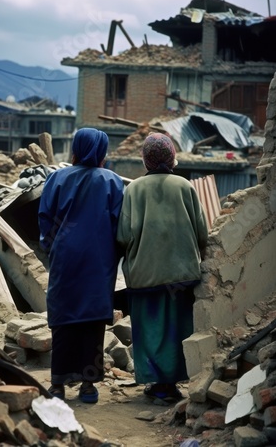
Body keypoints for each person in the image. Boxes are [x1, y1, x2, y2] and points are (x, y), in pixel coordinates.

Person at [116, 132, 208, 400]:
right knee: (177, 328)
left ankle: (156, 383)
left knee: (149, 329)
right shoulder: (185, 187)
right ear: (171, 157)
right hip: (181, 274)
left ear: (145, 159)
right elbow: (202, 233)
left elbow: (123, 235)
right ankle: (172, 381)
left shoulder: (133, 189)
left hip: (144, 275)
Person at [38, 127, 124, 403]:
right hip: (99, 262)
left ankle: (58, 385)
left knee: (63, 317)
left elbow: (45, 218)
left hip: (65, 258)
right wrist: (114, 253)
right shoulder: (112, 181)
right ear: (101, 152)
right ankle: (88, 385)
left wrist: (52, 247)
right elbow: (119, 225)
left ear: (76, 149)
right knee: (93, 320)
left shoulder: (57, 178)